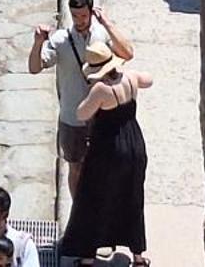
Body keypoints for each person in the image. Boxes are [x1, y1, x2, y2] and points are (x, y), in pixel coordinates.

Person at [28, 0, 133, 194]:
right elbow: (35, 67)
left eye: (84, 16)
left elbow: (127, 53)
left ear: (91, 13)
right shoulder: (60, 40)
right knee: (75, 167)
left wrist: (107, 23)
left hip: (103, 115)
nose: (79, 21)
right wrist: (38, 42)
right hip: (72, 118)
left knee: (105, 166)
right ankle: (79, 212)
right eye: (75, 16)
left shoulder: (102, 34)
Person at [57, 47, 154, 267]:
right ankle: (138, 256)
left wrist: (89, 92)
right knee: (132, 197)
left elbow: (82, 113)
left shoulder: (101, 90)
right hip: (134, 143)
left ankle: (88, 256)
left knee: (94, 198)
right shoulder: (130, 78)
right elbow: (149, 80)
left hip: (109, 148)